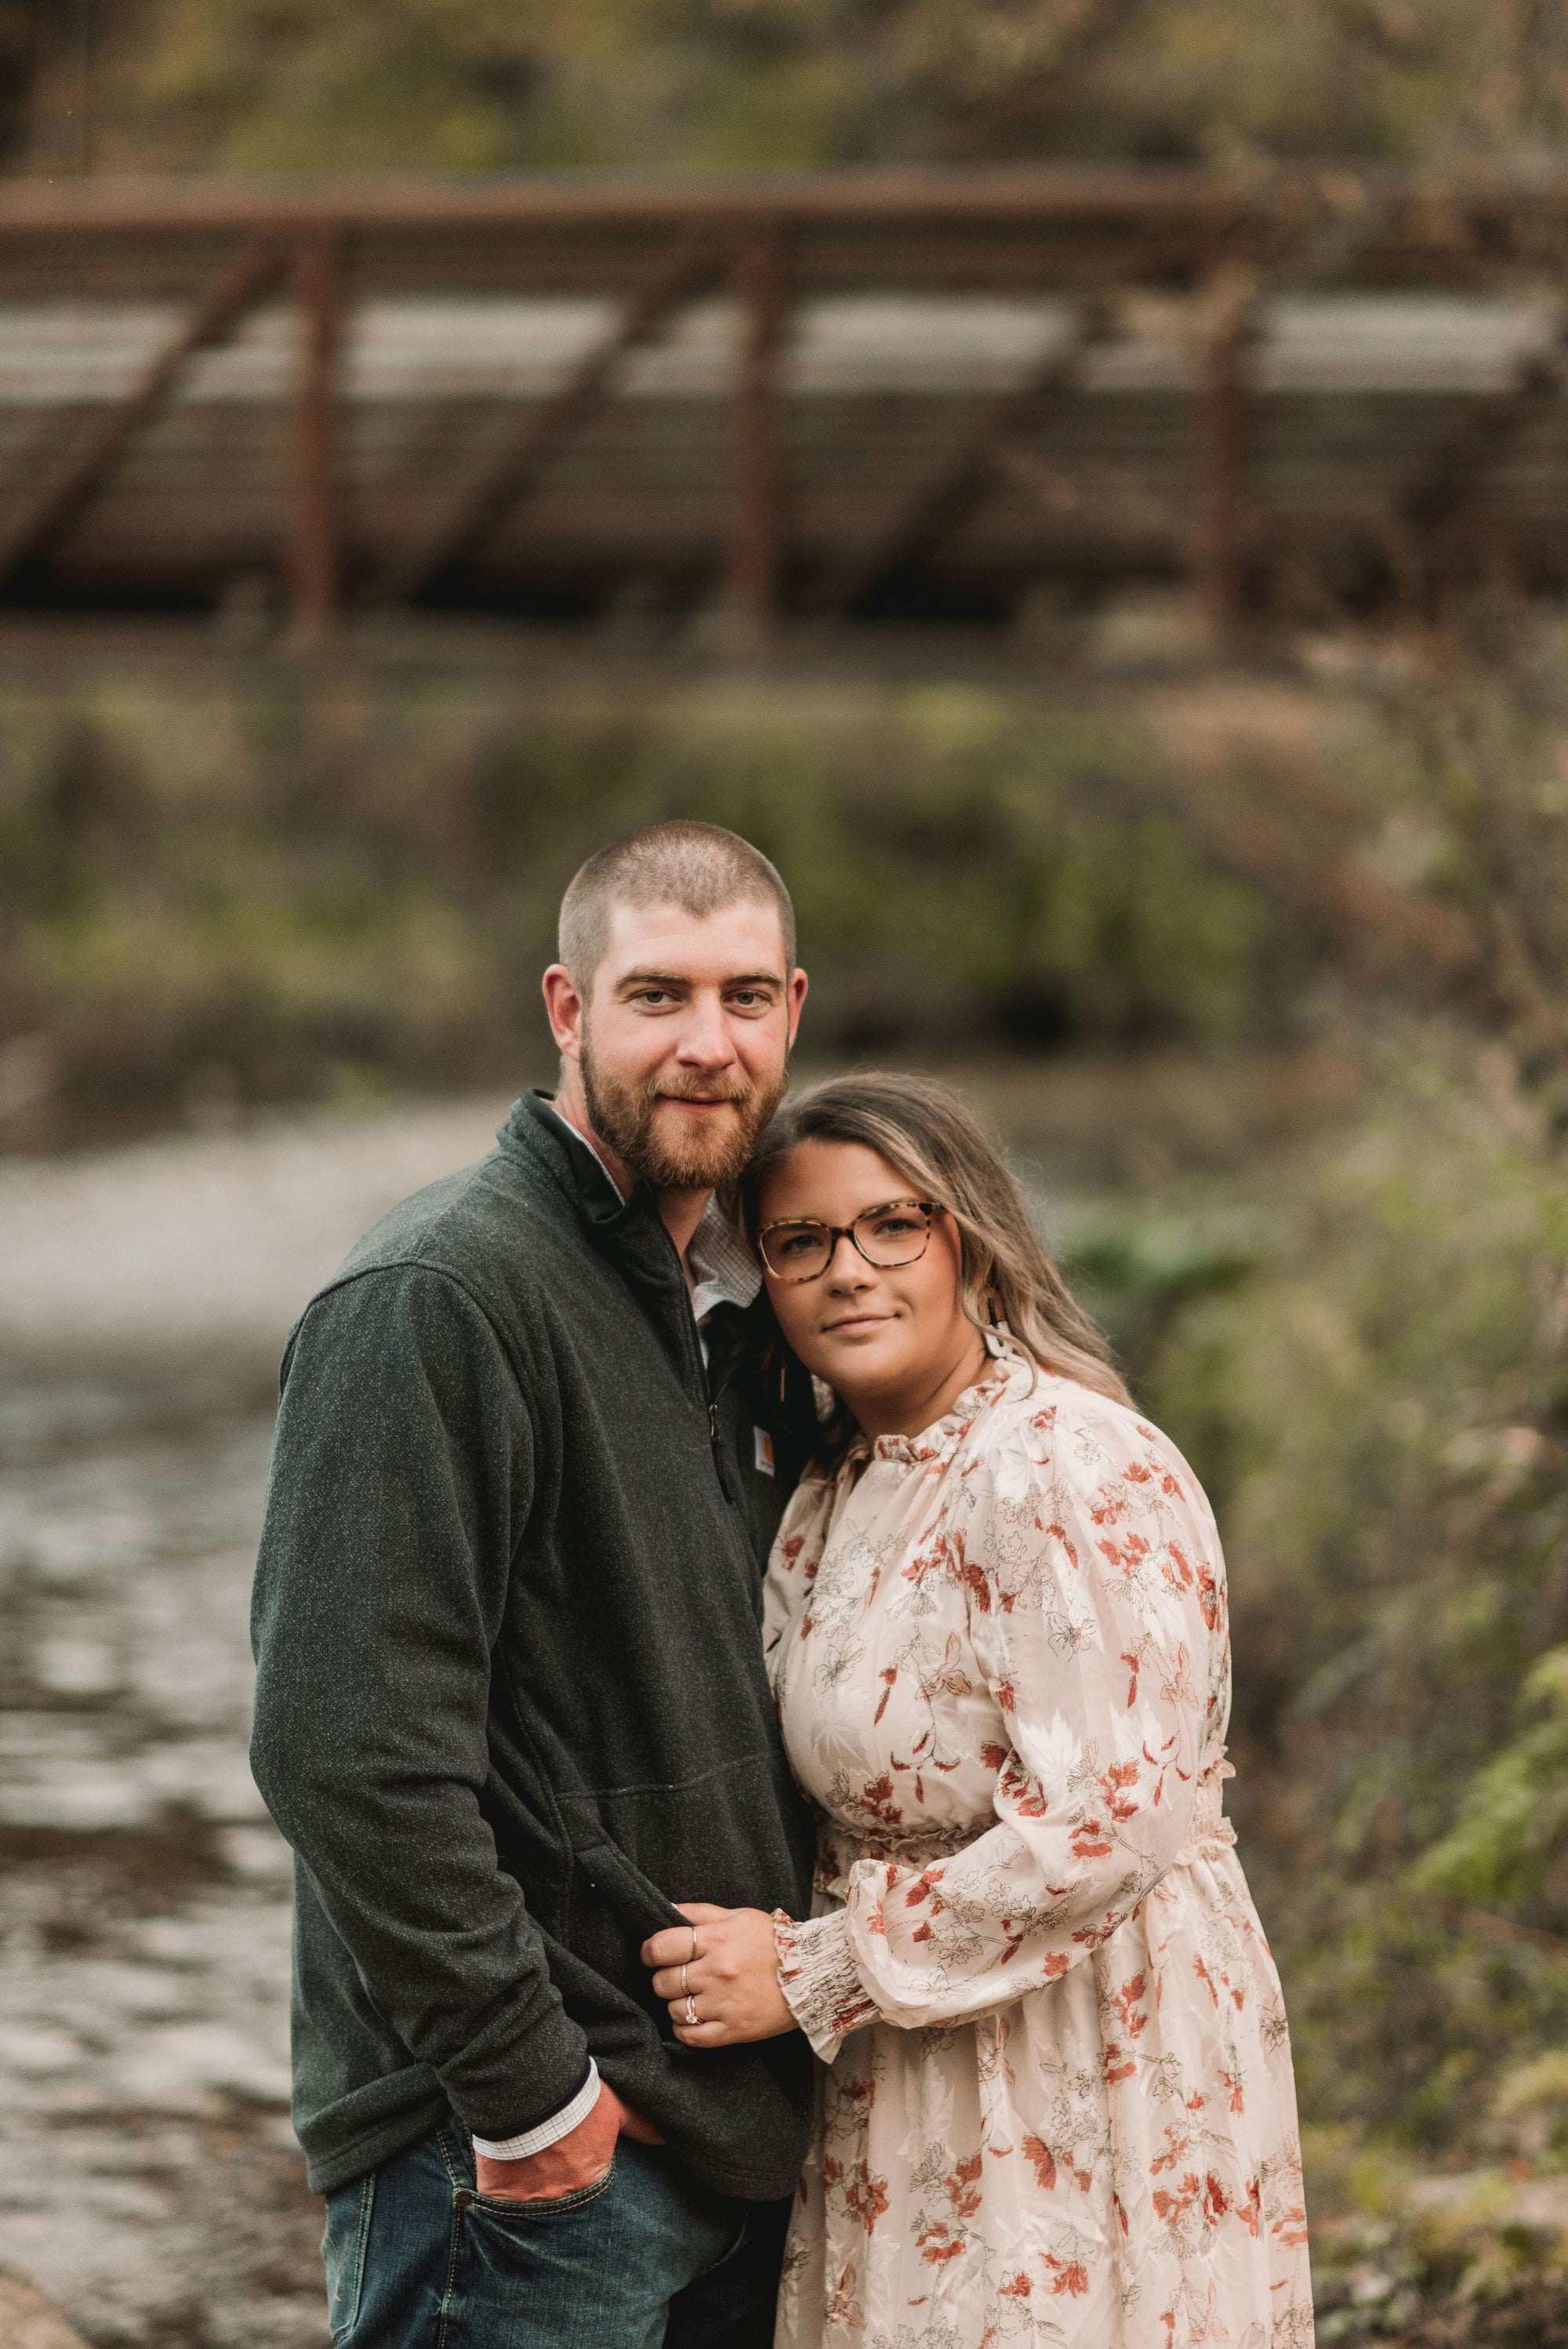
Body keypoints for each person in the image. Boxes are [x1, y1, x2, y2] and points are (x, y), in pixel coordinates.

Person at [249, 820, 826, 2349]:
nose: (708, 1043)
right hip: (519, 2168)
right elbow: (343, 1745)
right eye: (659, 996)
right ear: (568, 1010)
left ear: (793, 1012)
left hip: (707, 2133)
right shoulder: (439, 1293)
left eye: (746, 996)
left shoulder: (701, 1304)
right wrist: (531, 2095)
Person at [643, 1072, 1314, 2349]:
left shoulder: (1063, 1460)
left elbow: (1114, 1822)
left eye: (894, 1224)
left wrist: (809, 1971)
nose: (851, 1269)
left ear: (973, 1241)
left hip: (1080, 2043)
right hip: (910, 2052)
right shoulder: (842, 1483)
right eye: (801, 1241)